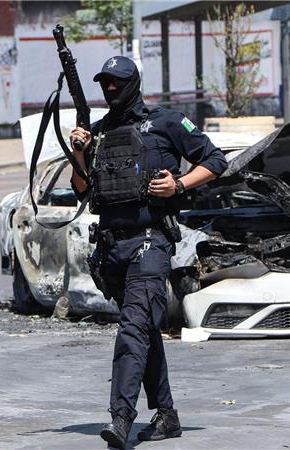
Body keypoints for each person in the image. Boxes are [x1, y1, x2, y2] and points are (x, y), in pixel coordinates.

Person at [69, 56, 227, 448]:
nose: (110, 89)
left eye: (116, 82)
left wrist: (180, 185)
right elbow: (81, 189)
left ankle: (121, 418)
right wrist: (79, 153)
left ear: (133, 83)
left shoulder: (167, 122)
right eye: (104, 83)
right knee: (143, 331)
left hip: (150, 242)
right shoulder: (99, 133)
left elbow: (216, 160)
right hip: (111, 248)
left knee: (132, 329)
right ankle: (167, 415)